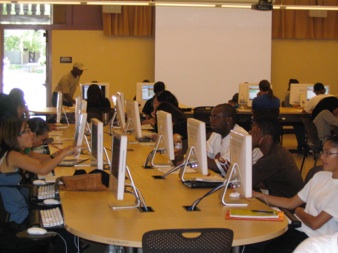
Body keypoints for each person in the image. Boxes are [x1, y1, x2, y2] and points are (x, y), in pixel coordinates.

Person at [0, 117, 80, 251]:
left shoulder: (13, 154)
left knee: (64, 211)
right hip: (20, 217)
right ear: (16, 137)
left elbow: (39, 163)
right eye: (26, 131)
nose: (31, 133)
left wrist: (61, 153)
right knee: (67, 228)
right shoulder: (13, 156)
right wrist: (64, 153)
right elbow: (42, 170)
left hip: (21, 210)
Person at [247, 136, 338, 253]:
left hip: (315, 238)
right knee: (253, 240)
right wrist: (255, 194)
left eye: (328, 153)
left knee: (267, 248)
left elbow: (315, 224)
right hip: (296, 227)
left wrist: (298, 211)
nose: (322, 157)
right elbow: (290, 203)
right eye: (323, 152)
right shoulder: (320, 176)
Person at [250, 116, 303, 198]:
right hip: (281, 200)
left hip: (286, 208)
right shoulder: (278, 150)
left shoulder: (272, 158)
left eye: (255, 132)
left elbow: (243, 181)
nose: (250, 133)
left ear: (267, 138)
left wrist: (250, 146)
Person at [206, 103, 262, 176]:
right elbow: (205, 155)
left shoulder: (241, 137)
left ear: (228, 120)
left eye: (216, 117)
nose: (211, 120)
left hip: (250, 182)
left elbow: (224, 167)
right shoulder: (216, 134)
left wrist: (198, 158)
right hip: (231, 179)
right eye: (211, 117)